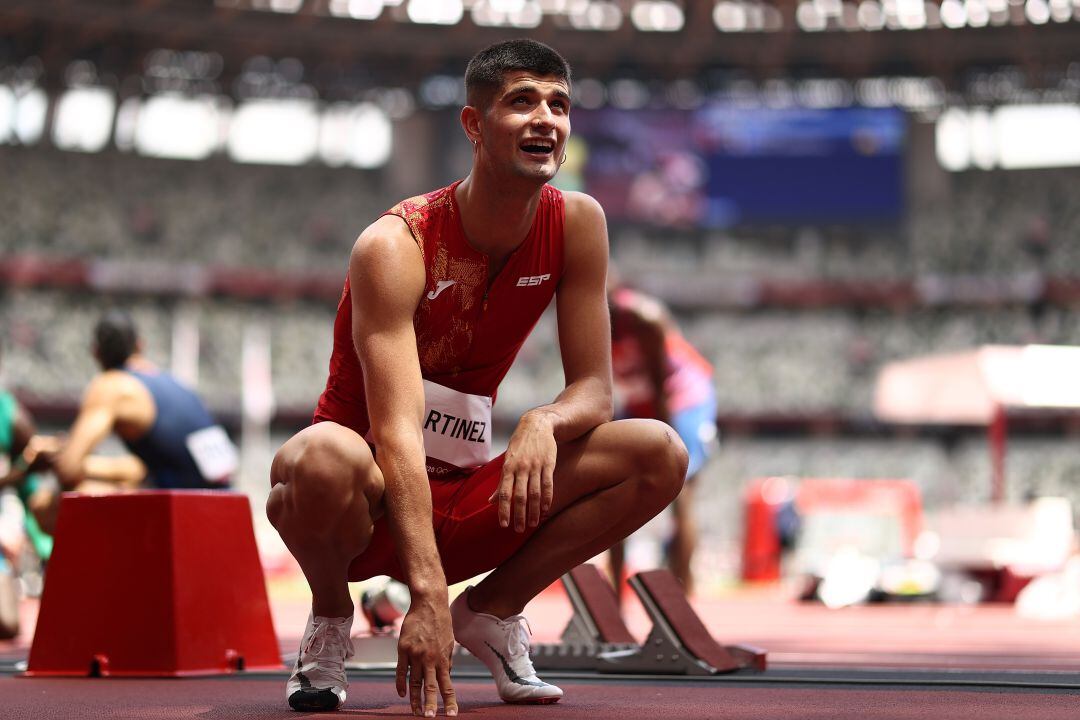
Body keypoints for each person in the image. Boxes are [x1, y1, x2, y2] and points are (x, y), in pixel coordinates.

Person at [268, 39, 688, 716]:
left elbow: (596, 393)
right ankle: (328, 617)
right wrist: (425, 597)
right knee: (316, 458)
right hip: (362, 503)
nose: (546, 119)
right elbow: (397, 430)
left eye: (559, 104)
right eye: (522, 101)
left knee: (657, 452)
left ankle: (492, 612)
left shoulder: (579, 223)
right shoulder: (396, 244)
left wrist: (543, 421)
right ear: (473, 125)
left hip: (463, 498)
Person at [37, 310, 236, 527]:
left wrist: (62, 457)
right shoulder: (175, 385)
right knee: (126, 483)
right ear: (140, 346)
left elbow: (68, 470)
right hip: (228, 509)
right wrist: (90, 466)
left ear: (95, 353)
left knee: (43, 505)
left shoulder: (111, 386)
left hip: (185, 517)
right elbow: (146, 469)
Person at [606, 276, 718, 596]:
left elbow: (661, 391)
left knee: (678, 490)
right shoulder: (577, 316)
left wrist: (669, 449)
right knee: (612, 493)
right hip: (638, 396)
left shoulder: (644, 318)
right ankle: (613, 604)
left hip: (682, 395)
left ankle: (684, 598)